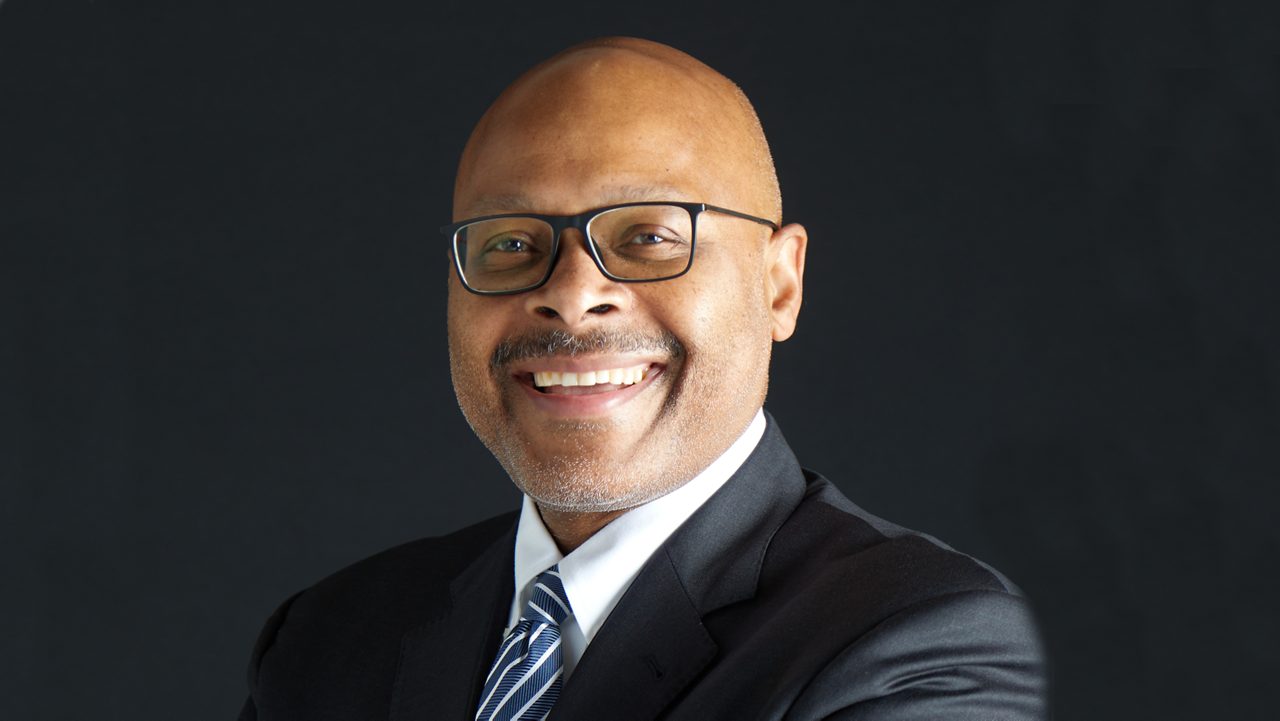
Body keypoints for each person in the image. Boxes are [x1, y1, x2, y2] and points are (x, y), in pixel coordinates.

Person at [239, 37, 1047, 720]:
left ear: (779, 285)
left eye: (650, 235)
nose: (570, 293)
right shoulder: (326, 640)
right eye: (511, 245)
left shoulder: (922, 644)